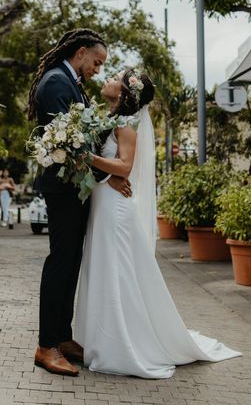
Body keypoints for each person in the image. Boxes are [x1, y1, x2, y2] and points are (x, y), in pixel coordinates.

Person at [74, 69, 241, 379]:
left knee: (116, 273)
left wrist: (88, 159)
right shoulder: (110, 118)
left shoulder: (126, 123)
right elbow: (114, 168)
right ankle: (99, 338)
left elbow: (125, 166)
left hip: (114, 211)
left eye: (116, 76)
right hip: (103, 205)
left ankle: (122, 343)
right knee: (105, 270)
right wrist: (103, 173)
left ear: (125, 92)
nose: (108, 77)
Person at [27, 29, 131, 377]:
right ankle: (46, 345)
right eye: (97, 62)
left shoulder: (70, 83)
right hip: (63, 189)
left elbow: (81, 137)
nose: (98, 70)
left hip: (74, 189)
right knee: (60, 262)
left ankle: (62, 336)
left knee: (71, 262)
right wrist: (107, 176)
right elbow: (71, 145)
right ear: (82, 52)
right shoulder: (57, 83)